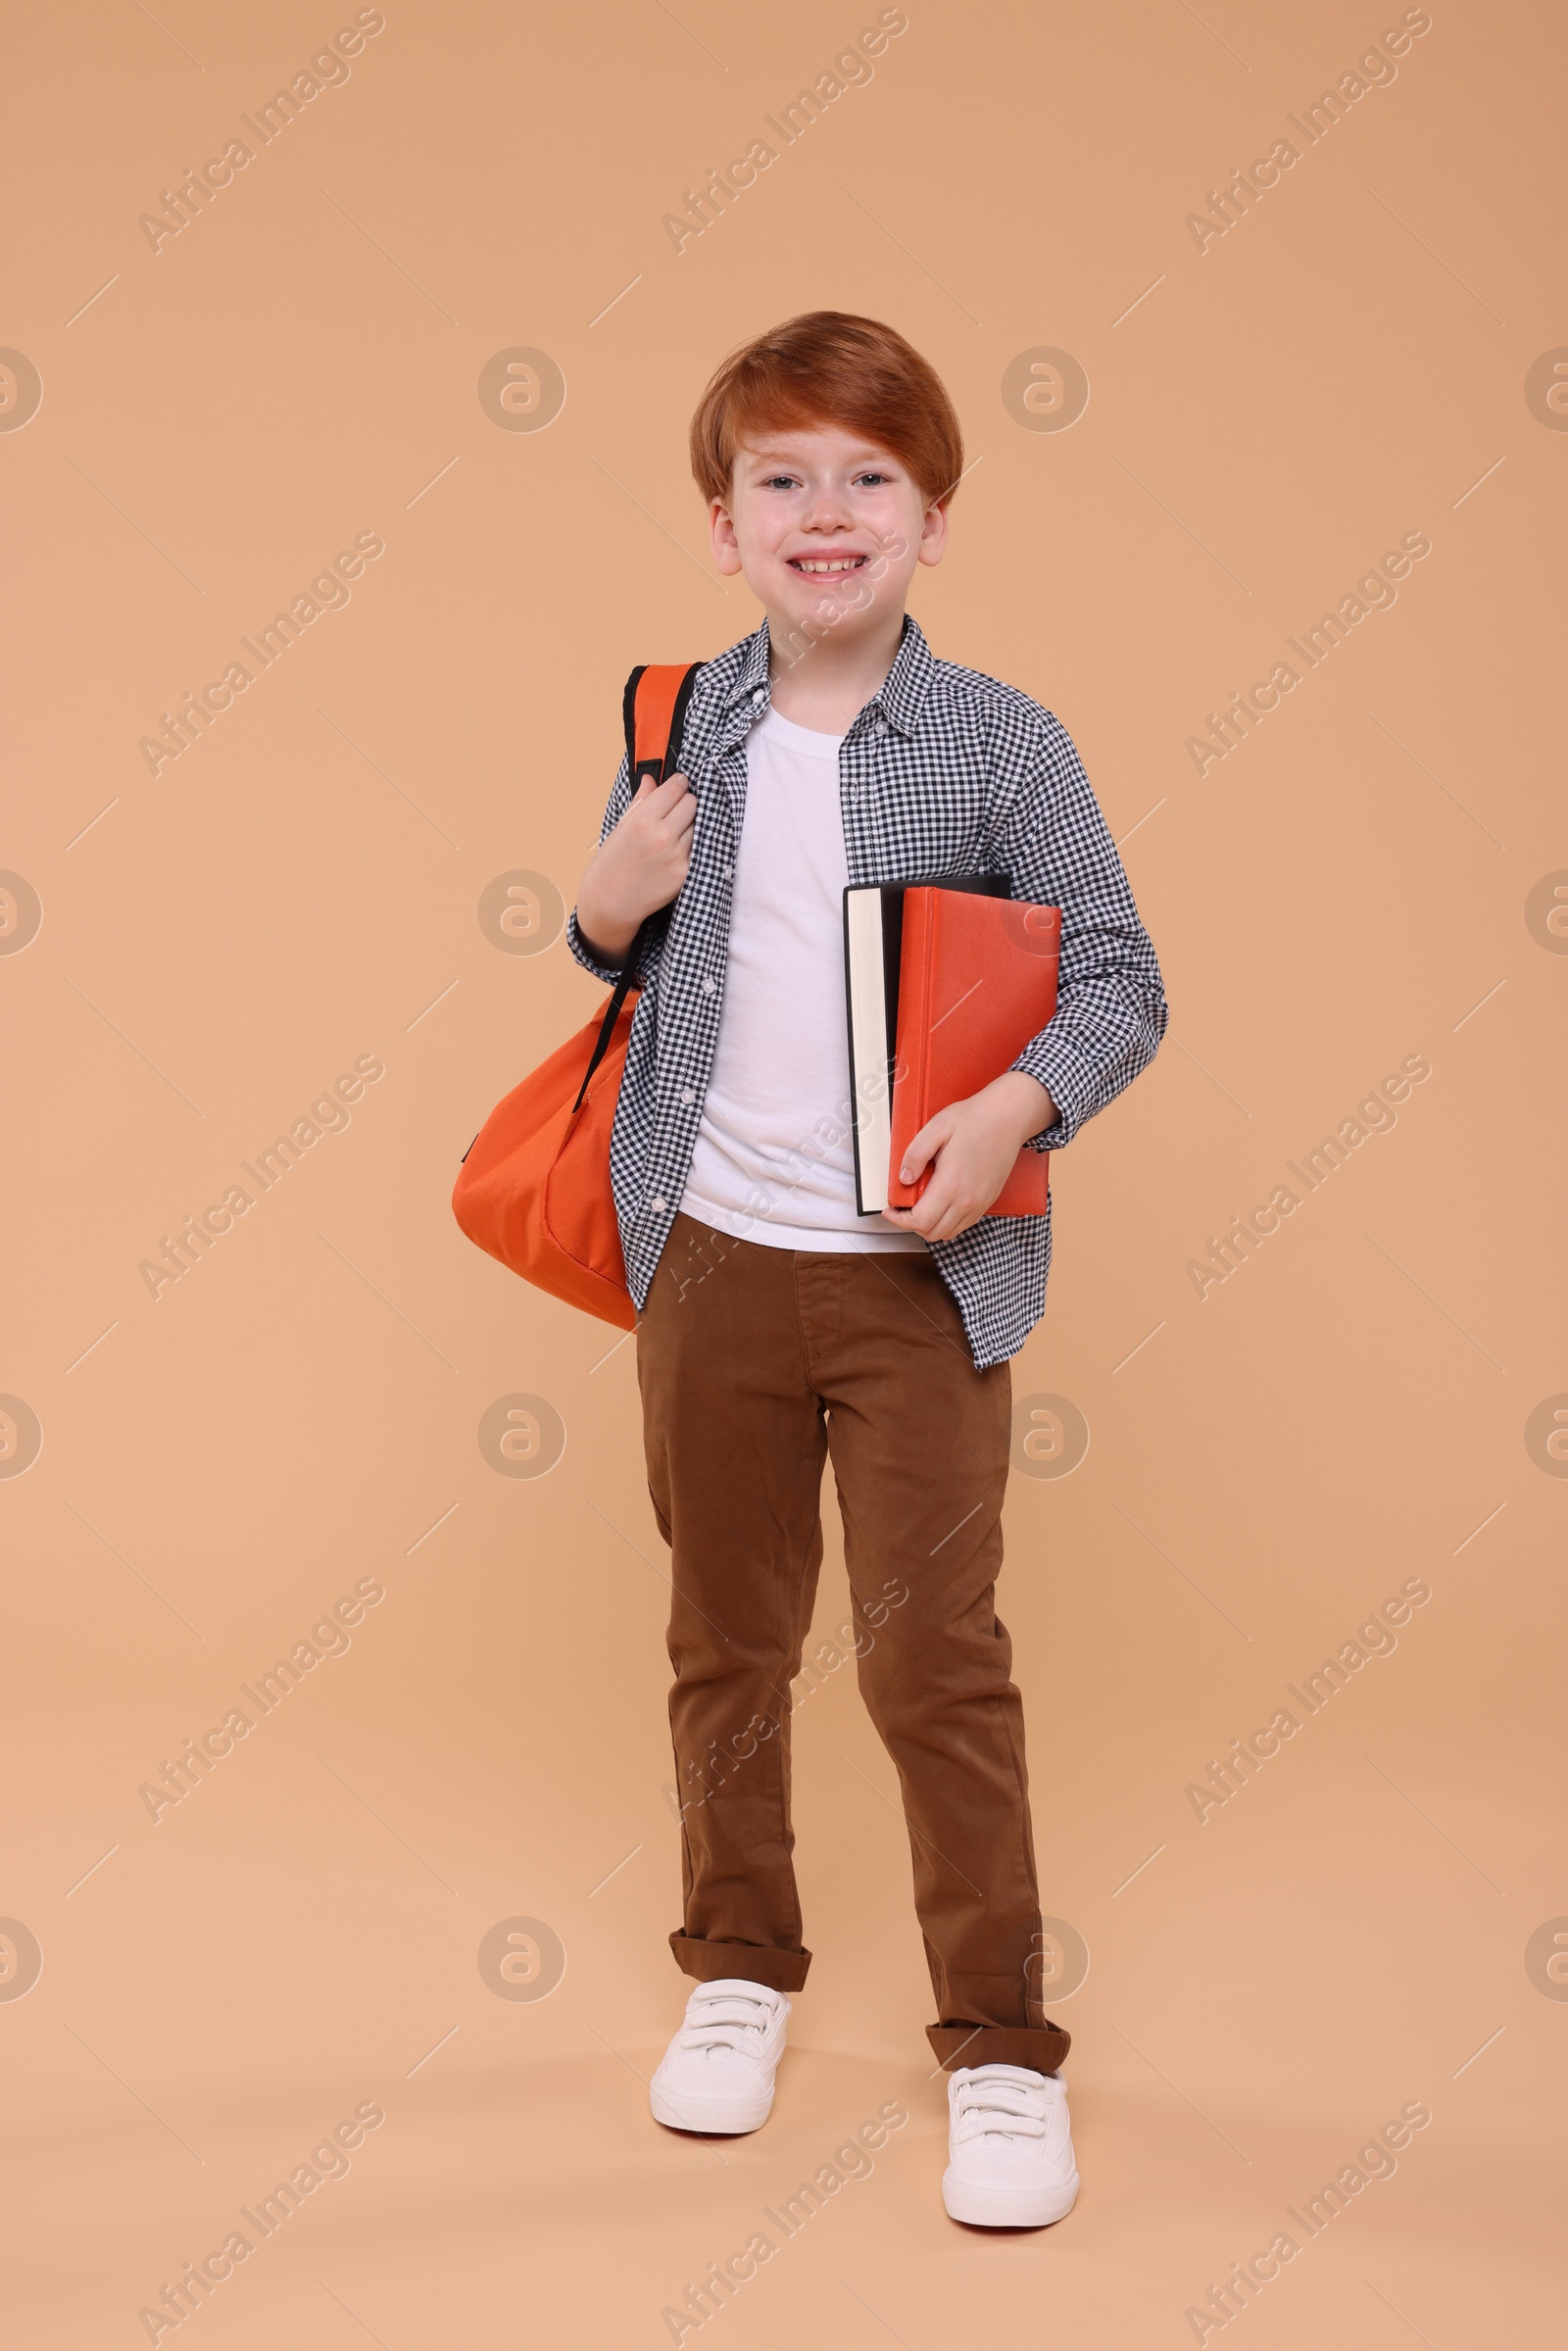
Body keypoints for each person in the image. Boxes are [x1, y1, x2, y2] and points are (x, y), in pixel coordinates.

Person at [568, 311, 1166, 2227]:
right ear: (720, 521)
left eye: (867, 477)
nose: (822, 513)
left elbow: (1116, 979)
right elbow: (616, 952)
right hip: (713, 1266)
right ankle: (737, 1968)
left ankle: (995, 2044)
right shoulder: (680, 722)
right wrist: (596, 913)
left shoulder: (1000, 739)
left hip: (918, 1289)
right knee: (725, 1647)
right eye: (779, 478)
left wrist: (1011, 1116)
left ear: (929, 514)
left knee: (934, 1661)